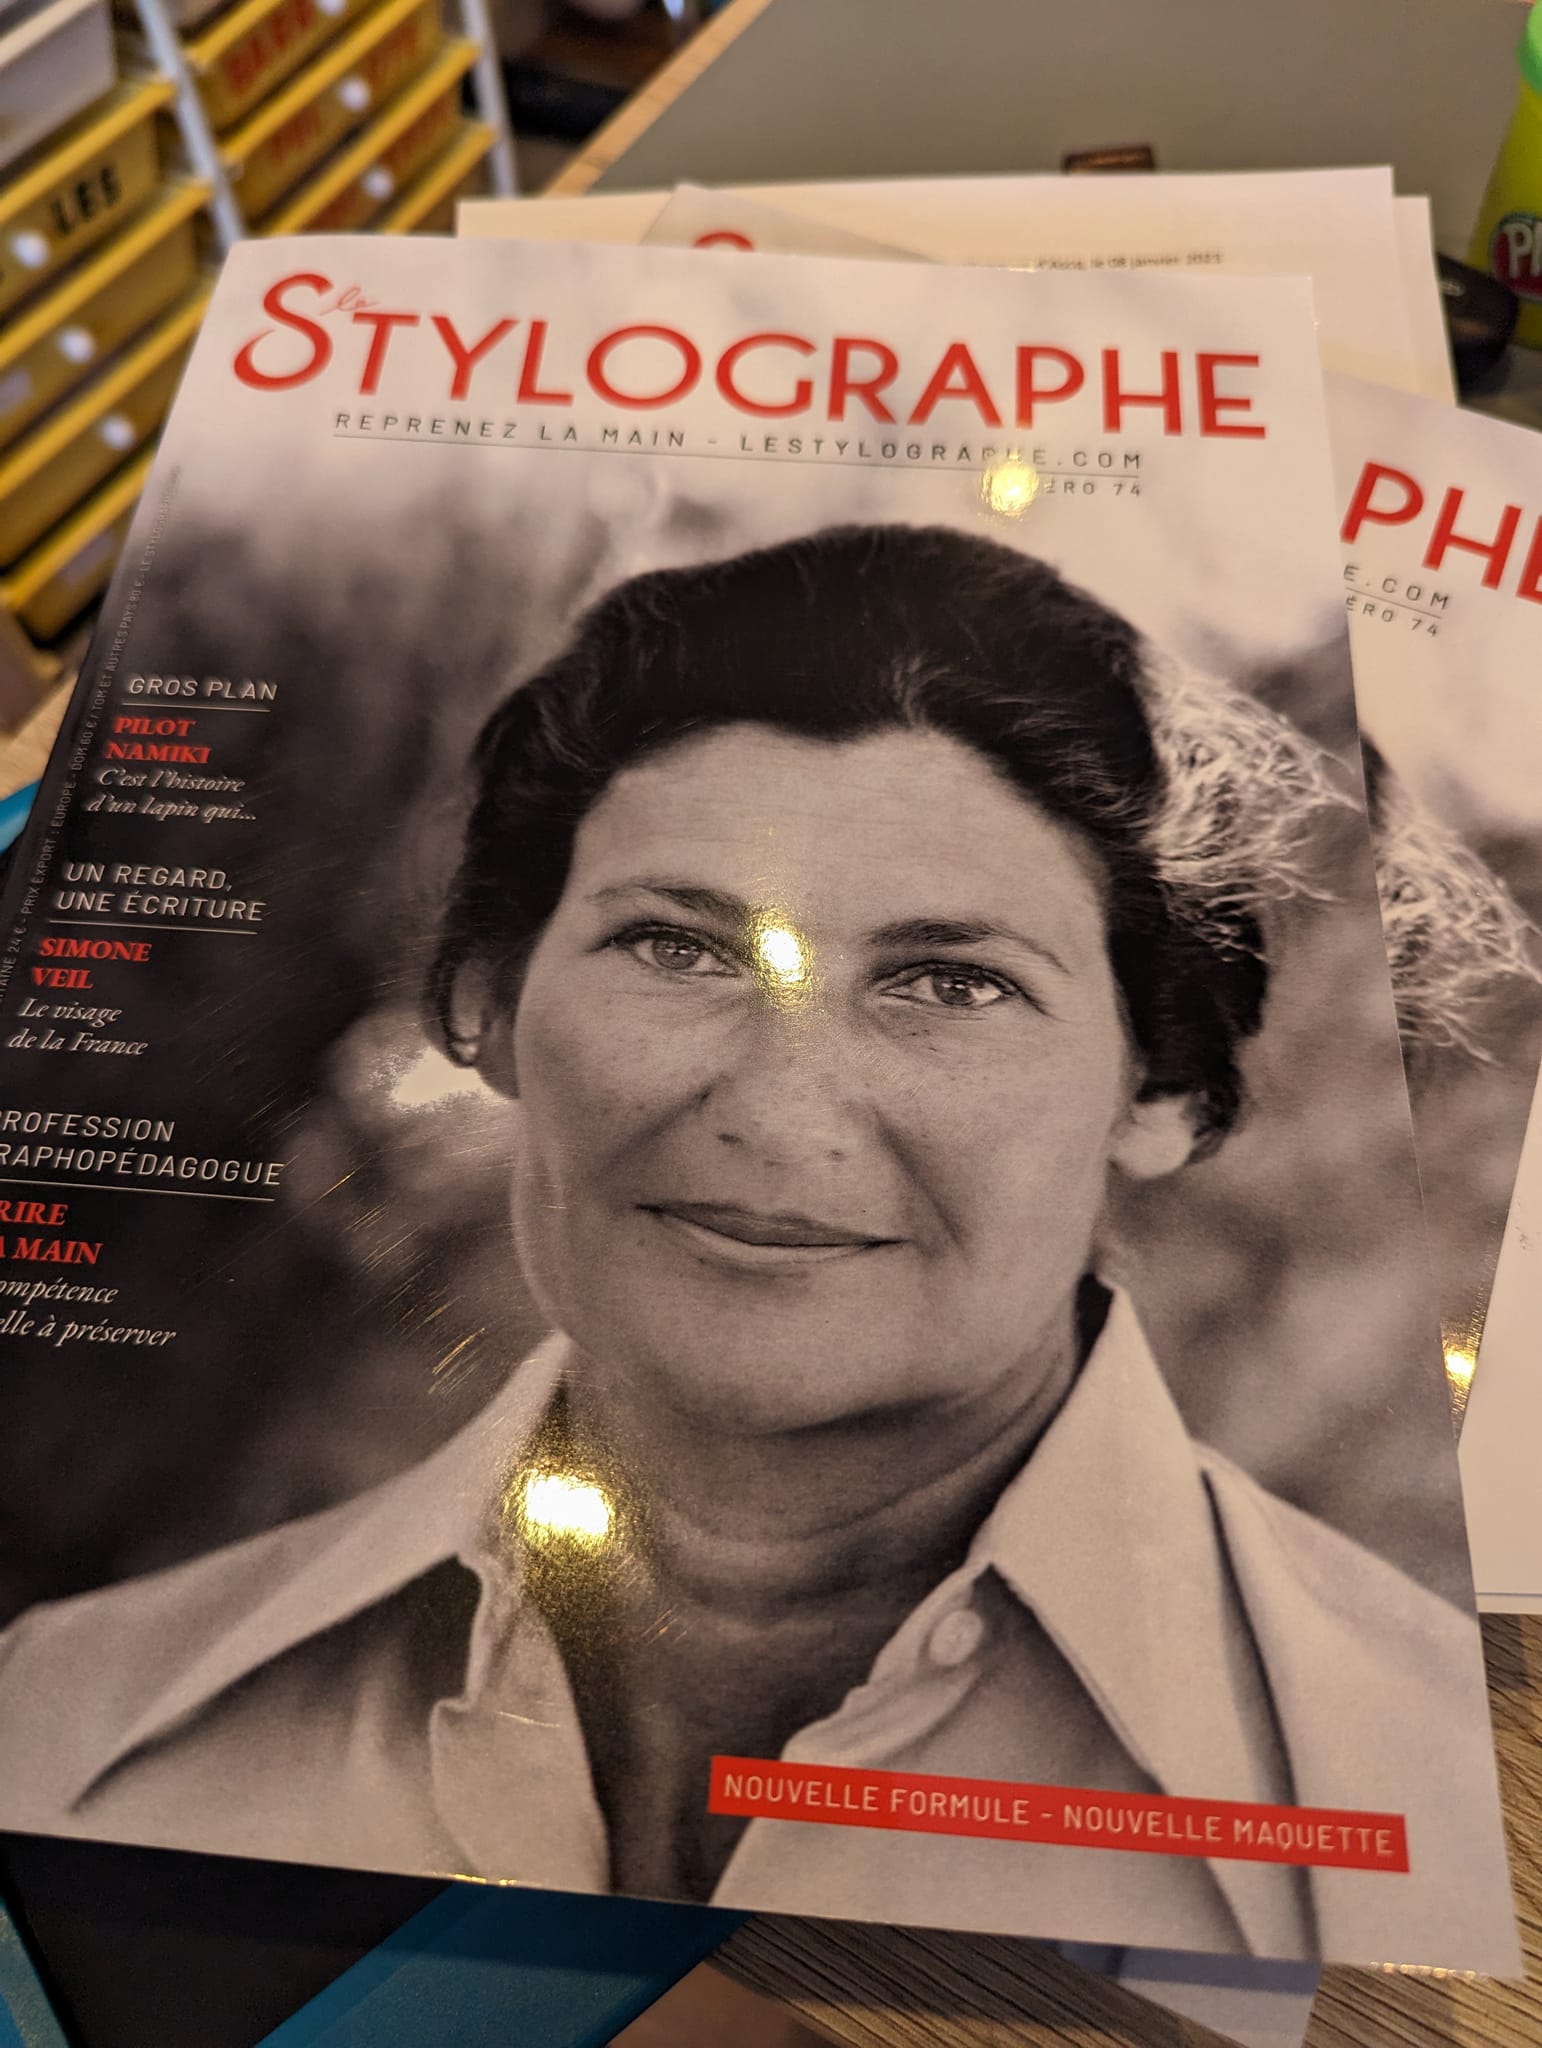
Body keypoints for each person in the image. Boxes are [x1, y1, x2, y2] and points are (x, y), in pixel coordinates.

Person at [0, 525, 1512, 1968]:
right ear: (491, 1010)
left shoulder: (1433, 1801)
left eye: (951, 981)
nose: (781, 1114)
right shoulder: (75, 1711)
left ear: (1162, 1094)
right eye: (675, 946)